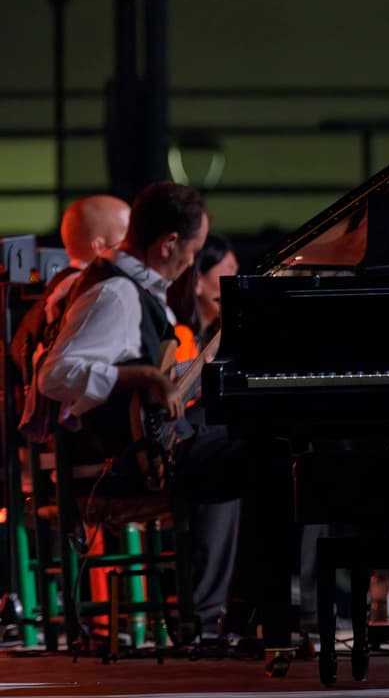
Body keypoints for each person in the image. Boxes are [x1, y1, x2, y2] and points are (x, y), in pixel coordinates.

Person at [36, 182, 245, 639]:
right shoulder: (115, 293)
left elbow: (145, 363)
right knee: (259, 454)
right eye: (192, 250)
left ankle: (227, 614)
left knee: (250, 434)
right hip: (129, 458)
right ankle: (211, 620)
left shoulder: (135, 289)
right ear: (168, 243)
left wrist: (193, 366)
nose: (192, 261)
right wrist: (144, 377)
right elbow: (55, 376)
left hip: (150, 440)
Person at [9, 195, 131, 395]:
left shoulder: (58, 288)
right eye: (126, 240)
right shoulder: (83, 292)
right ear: (99, 247)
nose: (133, 250)